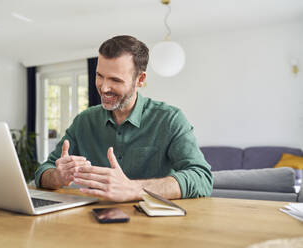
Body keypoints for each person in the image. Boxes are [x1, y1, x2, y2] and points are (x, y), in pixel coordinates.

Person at [35, 35, 213, 202]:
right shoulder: (84, 121)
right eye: (99, 76)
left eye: (115, 80)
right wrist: (58, 176)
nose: (104, 88)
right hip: (95, 223)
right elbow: (43, 172)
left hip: (156, 227)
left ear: (140, 79)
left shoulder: (169, 119)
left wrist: (134, 188)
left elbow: (202, 177)